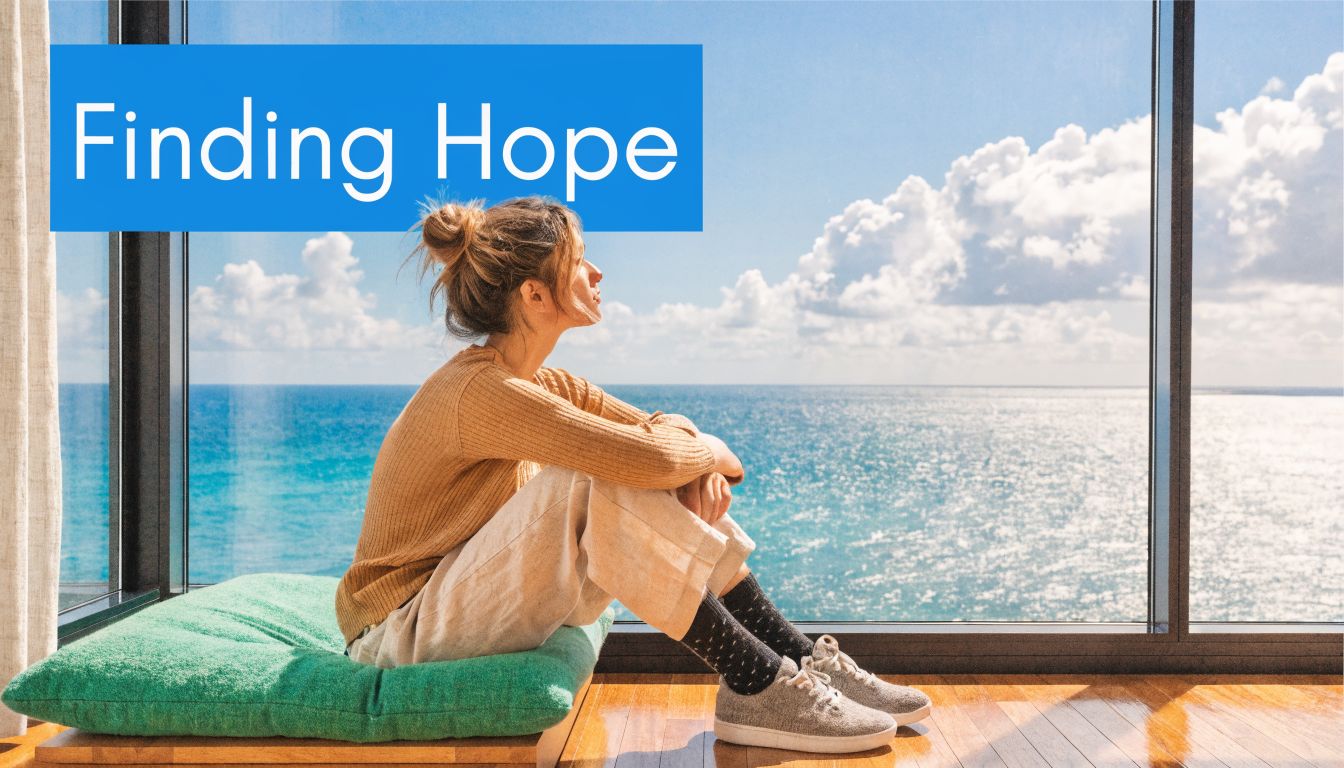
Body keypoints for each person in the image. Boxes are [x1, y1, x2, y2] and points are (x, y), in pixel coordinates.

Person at [333, 194, 930, 753]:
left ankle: (797, 662)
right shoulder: (480, 392)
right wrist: (703, 452)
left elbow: (654, 434)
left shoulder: (549, 385)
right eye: (580, 261)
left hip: (464, 604)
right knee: (593, 476)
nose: (598, 274)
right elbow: (643, 457)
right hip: (397, 636)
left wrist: (694, 459)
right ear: (535, 296)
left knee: (623, 466)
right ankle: (755, 682)